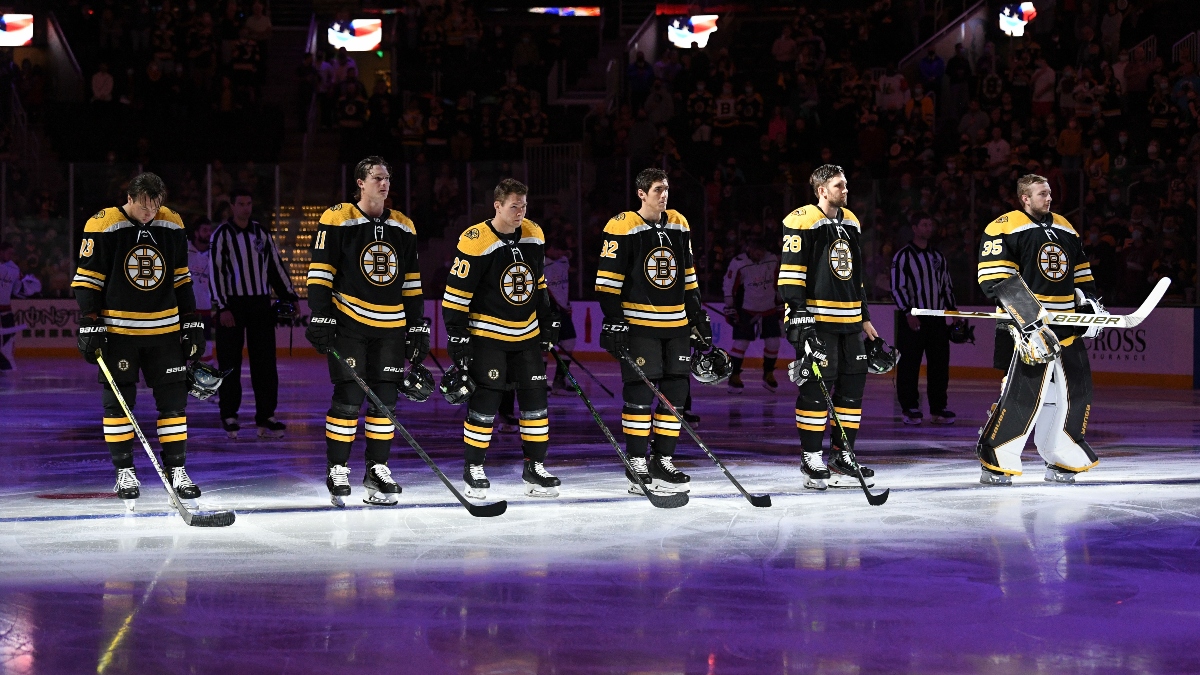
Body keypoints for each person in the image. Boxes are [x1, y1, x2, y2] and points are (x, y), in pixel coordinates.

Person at [70, 173, 207, 509]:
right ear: (129, 198)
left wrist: (191, 321)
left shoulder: (172, 223)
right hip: (120, 335)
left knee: (174, 404)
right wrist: (90, 322)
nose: (150, 213)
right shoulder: (103, 224)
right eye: (144, 207)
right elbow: (87, 281)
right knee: (118, 404)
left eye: (155, 206)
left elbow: (181, 278)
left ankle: (177, 470)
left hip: (164, 332)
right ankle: (125, 471)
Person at [304, 156, 430, 507]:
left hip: (391, 326)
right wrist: (320, 315)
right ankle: (338, 468)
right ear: (360, 182)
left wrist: (418, 324)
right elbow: (321, 270)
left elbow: (412, 282)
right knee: (348, 397)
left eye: (387, 178)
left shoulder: (404, 226)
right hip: (349, 323)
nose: (384, 183)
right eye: (377, 178)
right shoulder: (338, 218)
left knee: (385, 401)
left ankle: (377, 469)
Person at [595, 168, 718, 495]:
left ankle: (662, 460)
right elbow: (607, 285)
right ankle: (636, 462)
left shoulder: (679, 222)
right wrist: (615, 320)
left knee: (675, 396)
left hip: (676, 326)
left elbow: (689, 279)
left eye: (666, 189)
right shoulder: (622, 226)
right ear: (641, 193)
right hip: (640, 328)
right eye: (658, 190)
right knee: (638, 395)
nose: (664, 195)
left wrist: (698, 317)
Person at [974, 174, 1100, 486]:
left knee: (1076, 393)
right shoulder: (1002, 226)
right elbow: (995, 279)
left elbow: (1082, 275)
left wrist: (1090, 309)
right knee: (1024, 395)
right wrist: (1030, 321)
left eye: (1050, 192)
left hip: (1065, 326)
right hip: (1024, 327)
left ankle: (1064, 456)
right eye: (1042, 194)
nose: (1049, 198)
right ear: (1025, 198)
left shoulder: (1065, 227)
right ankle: (997, 459)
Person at [441, 179, 562, 499]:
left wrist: (548, 321)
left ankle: (535, 467)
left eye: (524, 205)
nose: (520, 211)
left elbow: (538, 284)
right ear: (497, 206)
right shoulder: (475, 240)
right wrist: (457, 334)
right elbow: (456, 293)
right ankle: (474, 467)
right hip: (488, 336)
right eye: (514, 206)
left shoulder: (534, 234)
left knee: (536, 401)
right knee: (486, 401)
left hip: (527, 335)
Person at [779, 165, 880, 491]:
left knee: (852, 392)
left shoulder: (851, 221)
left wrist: (864, 317)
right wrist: (800, 319)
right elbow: (790, 276)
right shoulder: (801, 220)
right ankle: (811, 458)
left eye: (845, 184)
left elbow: (855, 275)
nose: (845, 189)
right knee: (815, 391)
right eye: (839, 185)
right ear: (822, 189)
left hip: (850, 323)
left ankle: (843, 455)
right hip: (818, 322)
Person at [209, 188, 298, 439]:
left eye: (249, 203)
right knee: (230, 364)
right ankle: (229, 414)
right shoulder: (222, 235)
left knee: (266, 363)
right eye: (241, 204)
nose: (246, 208)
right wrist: (223, 307)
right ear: (232, 205)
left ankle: (266, 415)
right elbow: (215, 274)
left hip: (260, 304)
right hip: (233, 306)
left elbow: (275, 267)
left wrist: (290, 296)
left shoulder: (261, 233)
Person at [890, 213, 957, 425]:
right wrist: (908, 312)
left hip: (936, 317)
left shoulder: (938, 257)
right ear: (915, 228)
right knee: (909, 363)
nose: (929, 228)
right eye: (924, 224)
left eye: (931, 224)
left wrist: (953, 312)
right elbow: (897, 287)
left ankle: (938, 407)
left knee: (939, 364)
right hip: (913, 317)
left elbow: (946, 285)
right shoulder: (903, 256)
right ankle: (909, 407)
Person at [721, 237, 782, 393]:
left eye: (762, 250)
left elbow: (778, 282)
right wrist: (730, 306)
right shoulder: (739, 262)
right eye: (756, 250)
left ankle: (768, 373)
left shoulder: (772, 260)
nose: (759, 254)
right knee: (741, 344)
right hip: (747, 308)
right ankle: (734, 376)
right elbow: (729, 285)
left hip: (769, 307)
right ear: (748, 248)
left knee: (774, 342)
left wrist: (780, 302)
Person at [543, 237, 576, 394]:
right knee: (544, 345)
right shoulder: (540, 263)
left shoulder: (563, 260)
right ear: (551, 249)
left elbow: (569, 255)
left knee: (569, 342)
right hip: (548, 310)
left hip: (563, 308)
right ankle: (540, 382)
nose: (561, 254)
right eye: (558, 251)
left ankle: (559, 381)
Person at [0, 241, 35, 370]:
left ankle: (5, 366)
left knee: (8, 340)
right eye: (8, 253)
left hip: (6, 310)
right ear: (1, 252)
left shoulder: (14, 269)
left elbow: (17, 290)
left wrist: (28, 288)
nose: (10, 255)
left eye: (12, 253)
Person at [187, 217, 215, 362]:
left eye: (210, 230)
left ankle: (205, 381)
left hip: (204, 307)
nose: (208, 234)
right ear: (196, 233)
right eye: (205, 230)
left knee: (206, 346)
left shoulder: (214, 255)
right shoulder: (183, 249)